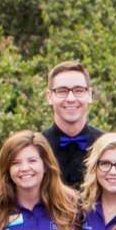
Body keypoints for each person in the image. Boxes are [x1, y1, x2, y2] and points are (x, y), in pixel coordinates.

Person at [42, 59, 101, 191]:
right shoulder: (36, 148)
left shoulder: (107, 146)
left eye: (78, 90)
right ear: (49, 96)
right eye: (62, 91)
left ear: (89, 95)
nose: (71, 99)